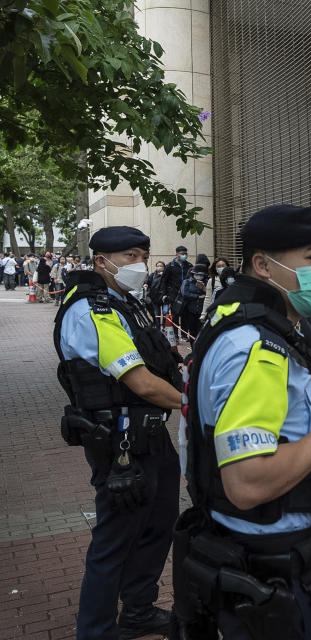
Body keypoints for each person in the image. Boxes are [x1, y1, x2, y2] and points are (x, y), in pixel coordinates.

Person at [178, 204, 311, 639]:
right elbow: (247, 483)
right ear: (264, 265)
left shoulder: (244, 321)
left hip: (254, 560)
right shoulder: (258, 347)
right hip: (274, 575)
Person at [53, 226, 183, 640]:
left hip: (148, 435)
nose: (139, 264)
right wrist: (195, 405)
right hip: (120, 441)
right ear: (100, 261)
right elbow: (140, 382)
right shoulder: (94, 309)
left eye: (143, 255)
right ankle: (95, 630)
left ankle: (139, 611)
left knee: (159, 524)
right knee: (116, 537)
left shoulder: (125, 303)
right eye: (129, 256)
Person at [161, 245, 192, 341]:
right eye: (182, 254)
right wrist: (164, 294)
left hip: (186, 295)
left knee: (185, 315)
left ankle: (184, 335)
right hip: (173, 294)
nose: (184, 256)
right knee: (175, 315)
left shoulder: (189, 266)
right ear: (177, 254)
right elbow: (163, 281)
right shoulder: (170, 266)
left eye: (186, 254)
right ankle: (175, 335)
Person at [178, 263, 206, 346]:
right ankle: (193, 348)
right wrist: (198, 296)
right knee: (192, 331)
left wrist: (204, 288)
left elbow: (210, 294)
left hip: (202, 310)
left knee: (201, 331)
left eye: (201, 275)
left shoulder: (206, 282)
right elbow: (185, 294)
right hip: (189, 310)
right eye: (197, 274)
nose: (199, 276)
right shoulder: (187, 282)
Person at [145, 261, 166, 329]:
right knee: (157, 314)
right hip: (154, 298)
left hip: (164, 297)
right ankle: (157, 327)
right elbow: (147, 282)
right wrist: (145, 284)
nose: (159, 267)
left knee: (165, 313)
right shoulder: (153, 275)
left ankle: (164, 326)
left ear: (164, 267)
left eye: (161, 266)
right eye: (158, 266)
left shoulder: (166, 275)